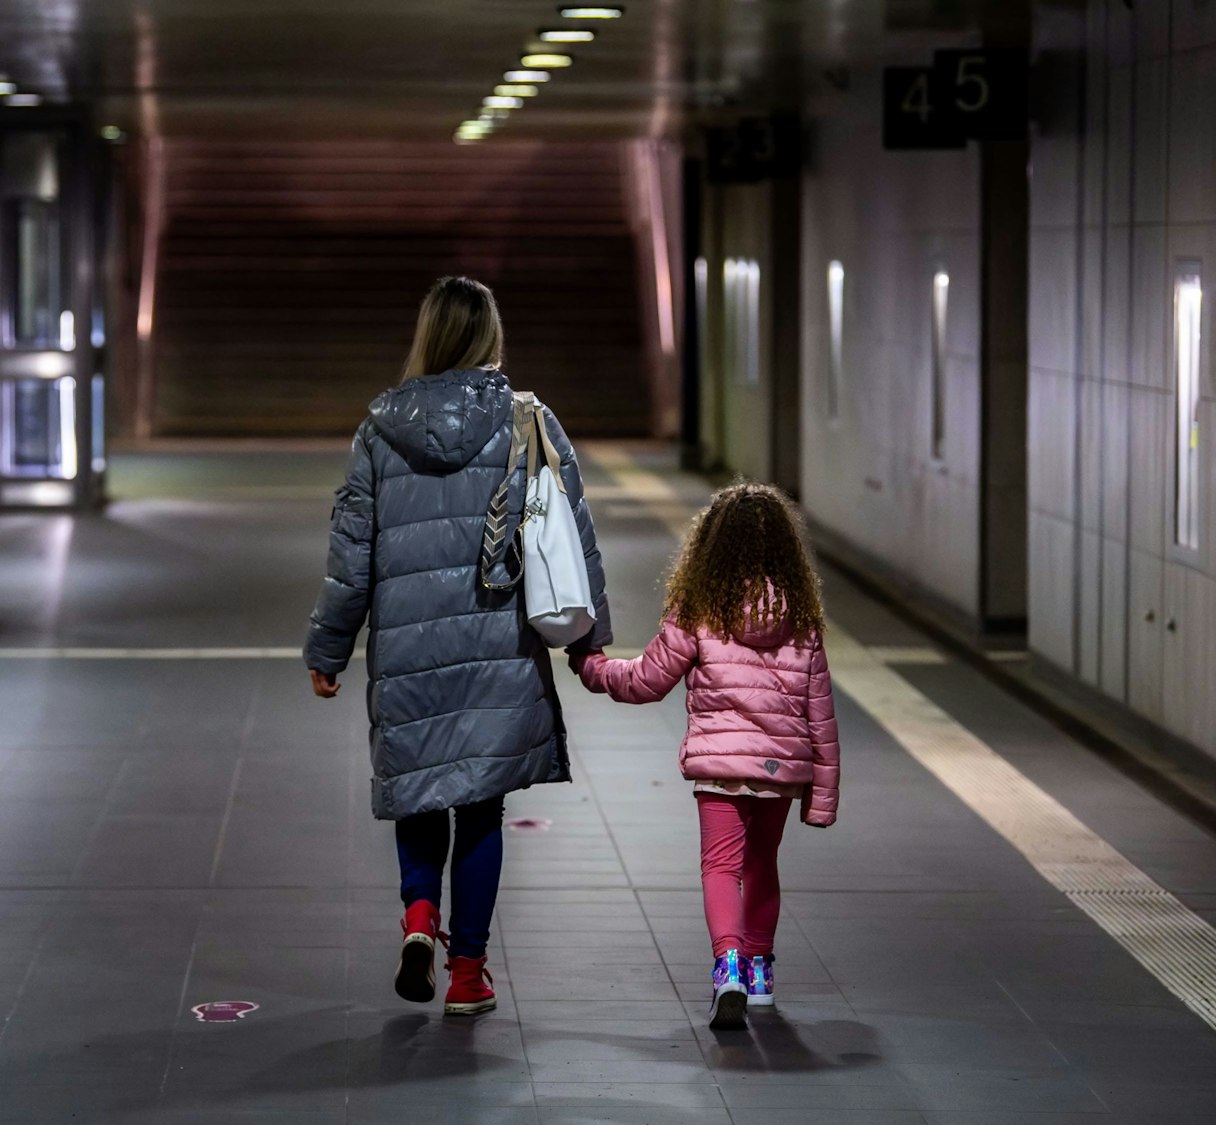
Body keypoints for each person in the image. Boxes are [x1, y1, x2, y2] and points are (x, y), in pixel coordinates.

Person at [305, 276, 612, 1017]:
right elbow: (573, 531)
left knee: (420, 790)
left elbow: (351, 551)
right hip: (497, 643)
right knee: (478, 809)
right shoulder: (526, 419)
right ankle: (468, 973)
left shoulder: (379, 427)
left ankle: (418, 919)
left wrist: (329, 646)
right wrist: (588, 639)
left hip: (409, 645)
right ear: (490, 335)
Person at [570, 482, 839, 1029]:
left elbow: (647, 680)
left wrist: (592, 669)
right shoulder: (802, 619)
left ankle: (729, 966)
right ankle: (760, 973)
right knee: (763, 863)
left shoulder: (699, 608)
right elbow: (821, 713)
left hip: (720, 768)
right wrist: (823, 797)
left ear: (710, 546)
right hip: (780, 769)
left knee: (721, 866)